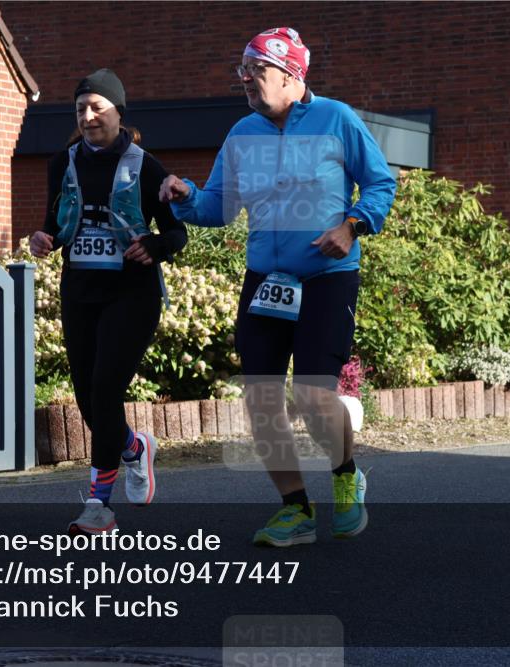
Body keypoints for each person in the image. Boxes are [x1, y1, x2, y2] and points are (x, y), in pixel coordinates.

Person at [160, 28, 396, 546]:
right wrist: (184, 195)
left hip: (327, 277)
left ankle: (345, 474)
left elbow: (381, 182)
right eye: (242, 69)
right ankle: (295, 509)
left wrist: (352, 224)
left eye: (256, 70)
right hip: (266, 281)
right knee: (261, 400)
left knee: (313, 396)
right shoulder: (243, 133)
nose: (245, 79)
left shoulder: (337, 119)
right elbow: (217, 208)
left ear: (291, 75)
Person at [30, 68, 187, 534]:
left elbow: (177, 233)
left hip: (131, 294)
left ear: (119, 112)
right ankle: (135, 449)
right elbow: (56, 225)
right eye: (81, 108)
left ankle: (99, 505)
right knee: (86, 399)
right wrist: (44, 239)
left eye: (97, 106)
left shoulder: (146, 166)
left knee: (104, 389)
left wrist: (155, 246)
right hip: (81, 292)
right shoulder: (64, 162)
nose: (88, 115)